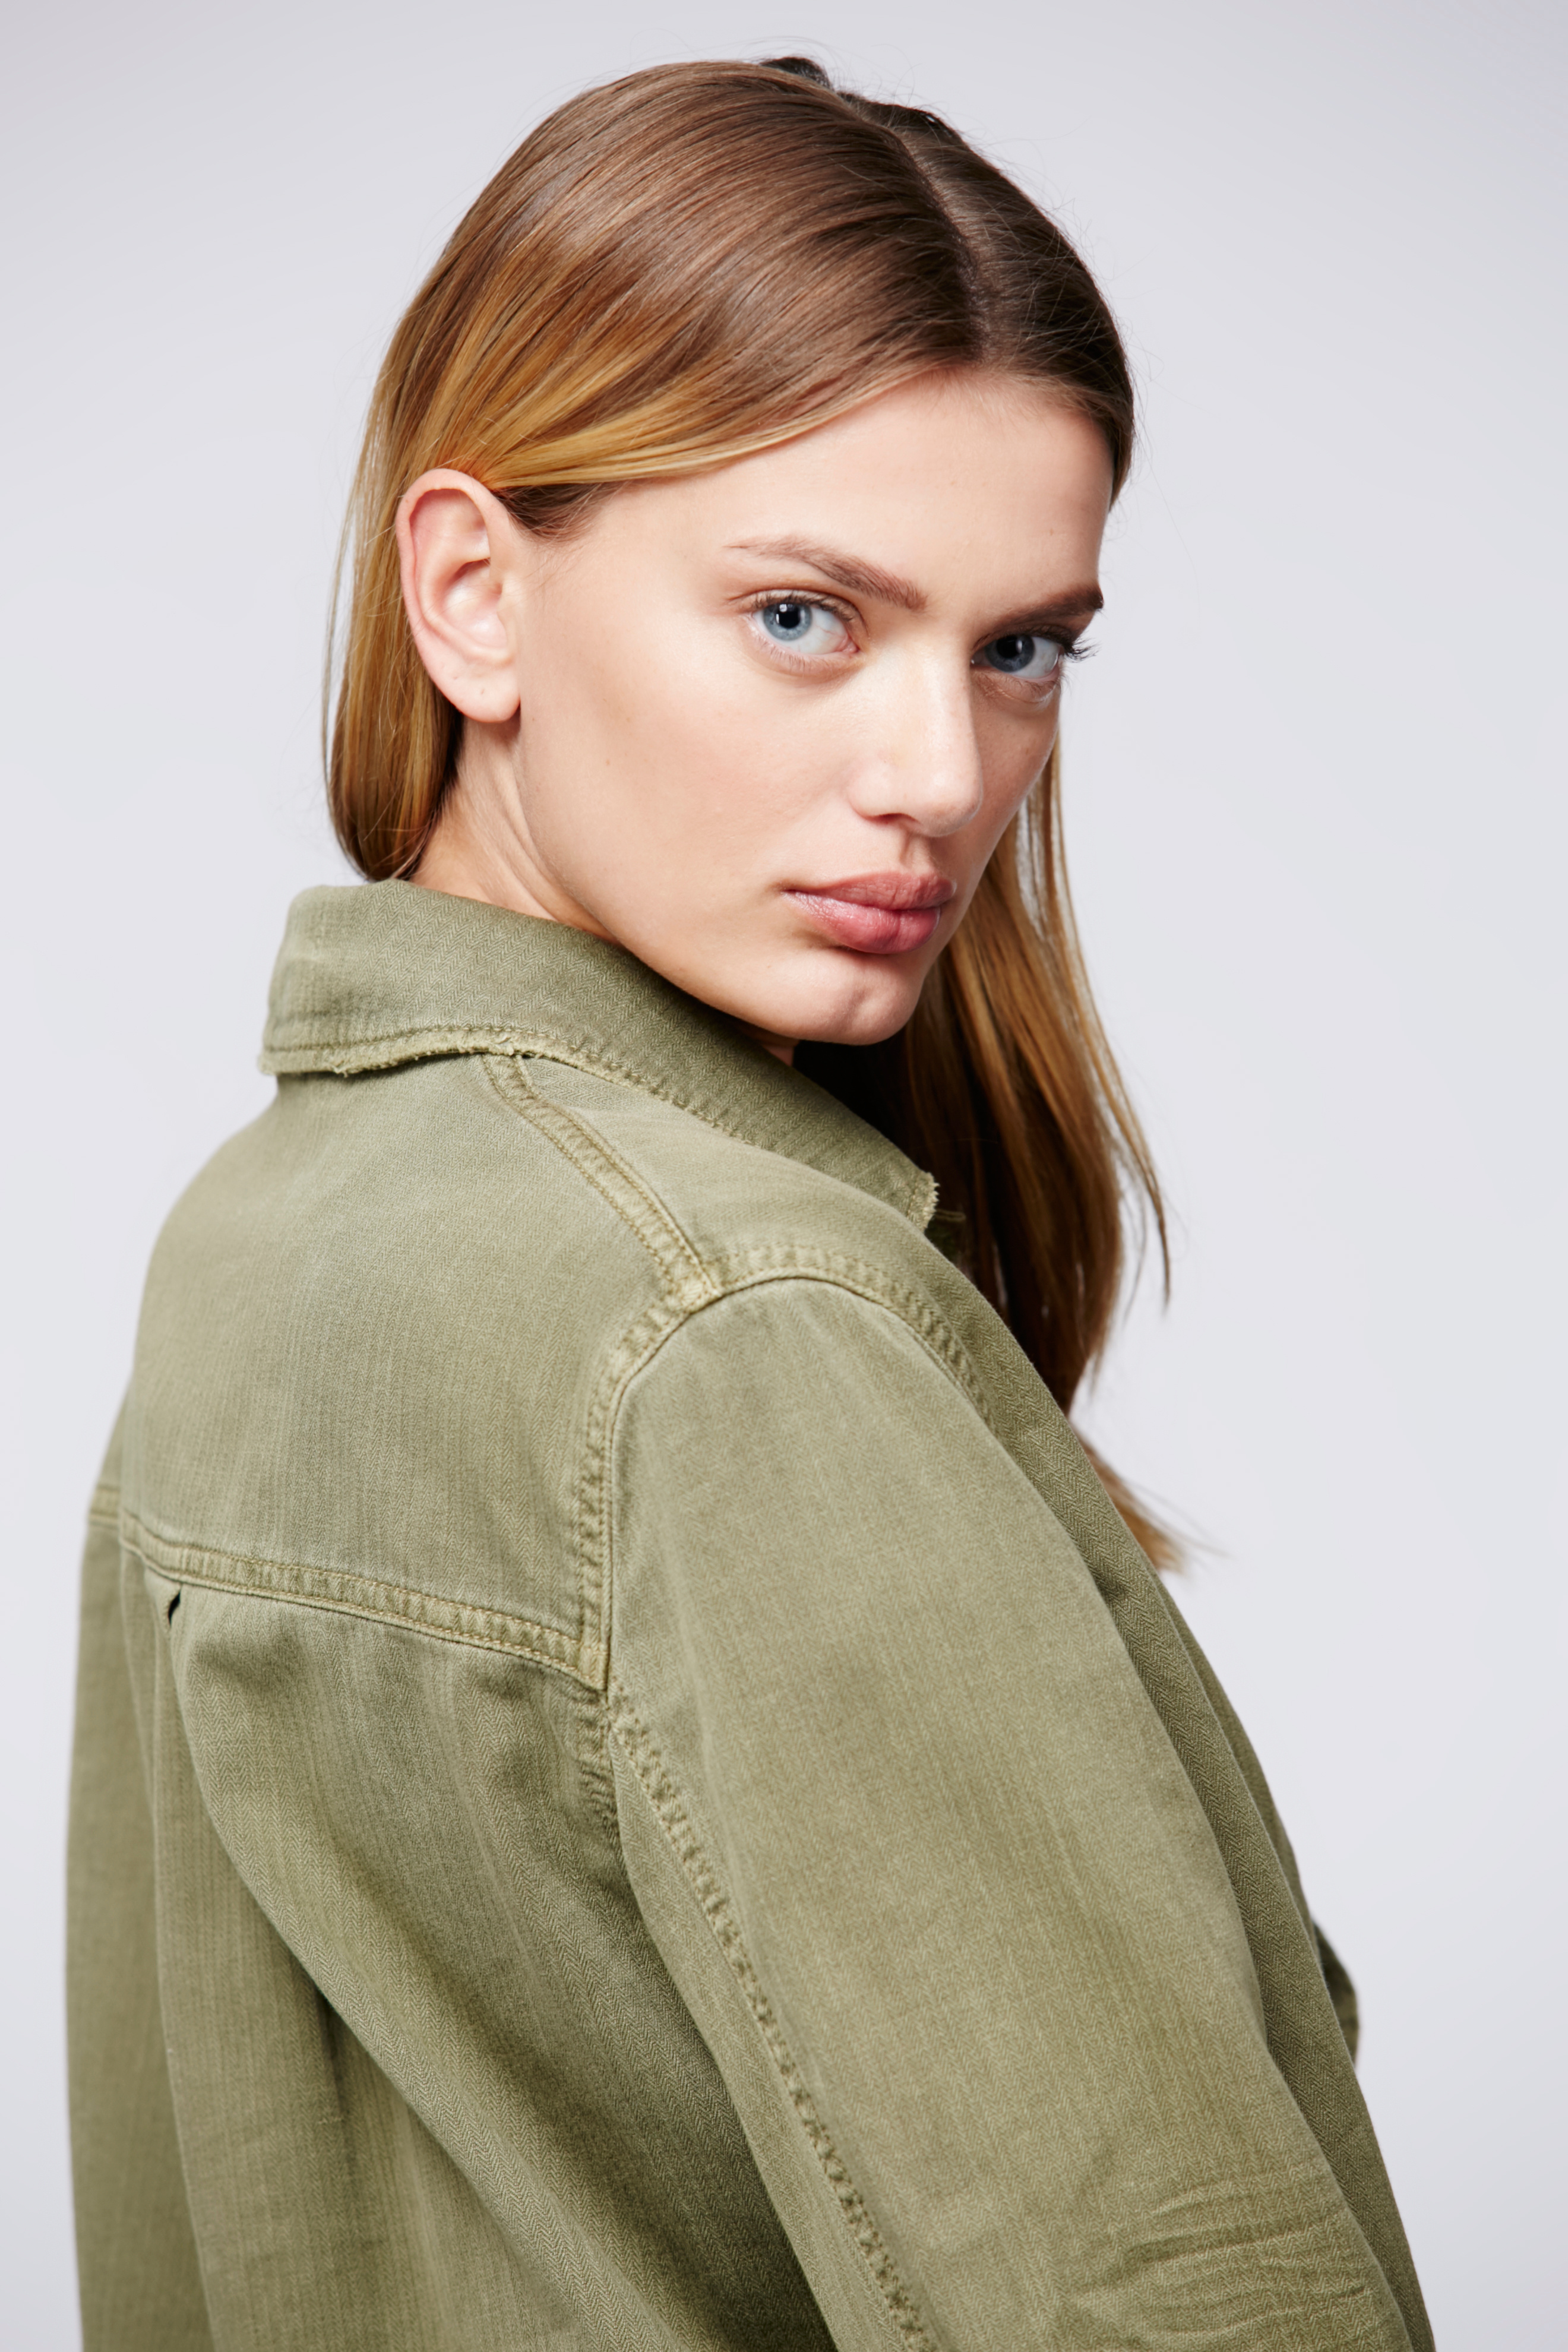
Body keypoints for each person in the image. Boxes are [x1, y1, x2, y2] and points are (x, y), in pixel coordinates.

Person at [66, 56, 1431, 2352]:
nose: (943, 775)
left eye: (1022, 647)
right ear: (473, 597)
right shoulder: (729, 1329)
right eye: (806, 617)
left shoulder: (266, 1230)